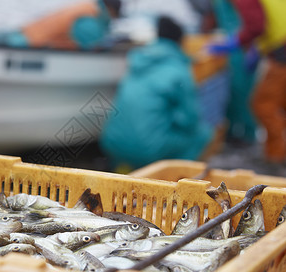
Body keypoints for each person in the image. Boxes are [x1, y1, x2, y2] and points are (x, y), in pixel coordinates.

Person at [99, 16, 217, 171]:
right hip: (147, 149)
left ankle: (124, 171)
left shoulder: (137, 61)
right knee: (203, 134)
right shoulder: (179, 69)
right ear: (180, 42)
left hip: (113, 144)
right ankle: (177, 177)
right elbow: (190, 120)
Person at [207, 0, 286, 163]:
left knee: (264, 104)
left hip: (282, 50)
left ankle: (277, 158)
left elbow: (256, 25)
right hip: (278, 47)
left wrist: (236, 42)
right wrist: (258, 48)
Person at [210, 0, 259, 144]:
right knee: (230, 90)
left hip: (242, 44)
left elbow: (253, 22)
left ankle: (249, 135)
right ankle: (231, 131)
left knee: (243, 91)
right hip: (233, 43)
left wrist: (250, 45)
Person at [8, 0, 121, 50]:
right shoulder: (91, 20)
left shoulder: (88, 7)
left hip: (25, 34)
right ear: (111, 11)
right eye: (115, 16)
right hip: (30, 44)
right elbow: (90, 45)